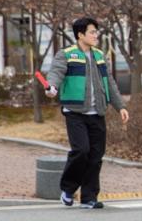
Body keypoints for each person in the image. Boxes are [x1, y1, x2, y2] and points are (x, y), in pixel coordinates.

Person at [45, 16, 129, 209]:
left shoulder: (100, 55)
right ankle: (68, 189)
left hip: (97, 112)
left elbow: (110, 83)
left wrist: (121, 106)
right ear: (80, 34)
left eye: (96, 31)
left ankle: (89, 197)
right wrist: (52, 87)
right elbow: (56, 73)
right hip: (75, 112)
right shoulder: (66, 54)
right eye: (92, 32)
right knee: (81, 150)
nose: (95, 35)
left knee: (96, 155)